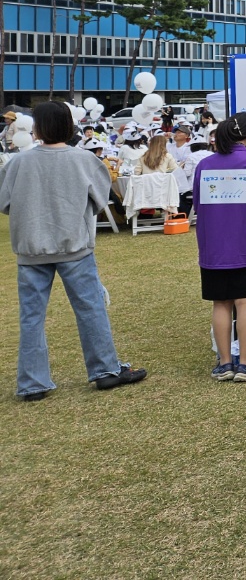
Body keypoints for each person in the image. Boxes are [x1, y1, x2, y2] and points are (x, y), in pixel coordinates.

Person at [1, 101, 147, 400]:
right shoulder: (84, 160)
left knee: (31, 316)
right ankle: (105, 369)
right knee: (90, 309)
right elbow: (100, 200)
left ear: (37, 128)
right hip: (74, 246)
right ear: (69, 125)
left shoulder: (17, 163)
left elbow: (5, 204)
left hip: (31, 247)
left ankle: (32, 383)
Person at [193, 112, 246, 382]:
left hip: (213, 247)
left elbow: (197, 202)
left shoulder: (204, 165)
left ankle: (224, 363)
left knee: (221, 303)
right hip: (245, 243)